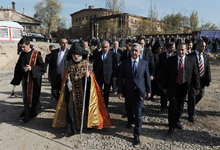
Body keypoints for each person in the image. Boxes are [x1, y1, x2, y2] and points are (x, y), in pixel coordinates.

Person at [52, 42, 112, 136]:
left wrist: (89, 77)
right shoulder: (69, 64)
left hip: (84, 91)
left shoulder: (86, 64)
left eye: (78, 54)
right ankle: (72, 127)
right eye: (74, 54)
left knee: (86, 107)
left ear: (81, 54)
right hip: (72, 90)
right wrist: (67, 80)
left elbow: (93, 79)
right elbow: (65, 76)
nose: (76, 56)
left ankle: (85, 125)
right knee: (70, 108)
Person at [162, 43, 200, 134]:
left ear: (186, 50)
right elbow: (164, 75)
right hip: (173, 86)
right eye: (179, 49)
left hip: (184, 87)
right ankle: (171, 126)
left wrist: (197, 87)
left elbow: (195, 75)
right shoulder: (170, 60)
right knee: (172, 106)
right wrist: (164, 87)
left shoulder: (191, 60)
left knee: (180, 106)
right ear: (176, 50)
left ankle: (177, 121)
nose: (181, 51)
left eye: (183, 50)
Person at [118, 43, 151, 145]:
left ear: (140, 52)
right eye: (132, 50)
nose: (134, 52)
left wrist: (149, 90)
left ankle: (136, 136)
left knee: (138, 114)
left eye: (136, 50)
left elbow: (147, 78)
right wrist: (120, 91)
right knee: (129, 109)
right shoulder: (125, 63)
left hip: (139, 92)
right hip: (128, 91)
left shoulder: (144, 63)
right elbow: (120, 78)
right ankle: (130, 121)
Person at [10, 36, 45, 122]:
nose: (22, 49)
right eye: (21, 47)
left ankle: (31, 113)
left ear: (29, 45)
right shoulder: (22, 54)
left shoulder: (36, 54)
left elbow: (42, 67)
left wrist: (31, 68)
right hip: (25, 79)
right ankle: (27, 112)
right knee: (26, 97)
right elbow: (18, 67)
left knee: (33, 97)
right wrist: (16, 79)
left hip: (34, 80)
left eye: (24, 47)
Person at [187, 40, 211, 122]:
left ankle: (190, 105)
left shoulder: (205, 56)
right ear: (196, 46)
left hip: (202, 80)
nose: (203, 48)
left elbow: (207, 69)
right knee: (192, 96)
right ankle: (191, 115)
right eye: (201, 46)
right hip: (193, 81)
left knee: (200, 95)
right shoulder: (190, 56)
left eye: (204, 46)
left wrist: (209, 79)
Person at [93, 40, 118, 107]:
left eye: (106, 47)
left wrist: (115, 76)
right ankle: (99, 106)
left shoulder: (113, 55)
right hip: (99, 76)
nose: (104, 49)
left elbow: (115, 66)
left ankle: (105, 107)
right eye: (103, 47)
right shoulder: (97, 54)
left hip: (108, 77)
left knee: (106, 93)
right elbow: (95, 65)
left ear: (109, 47)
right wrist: (94, 75)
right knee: (98, 92)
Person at [158, 42, 176, 110]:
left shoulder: (175, 55)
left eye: (174, 47)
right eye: (173, 47)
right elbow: (158, 65)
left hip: (172, 77)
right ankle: (163, 106)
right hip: (163, 76)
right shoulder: (161, 55)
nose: (174, 48)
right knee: (163, 92)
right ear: (168, 48)